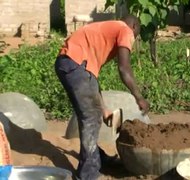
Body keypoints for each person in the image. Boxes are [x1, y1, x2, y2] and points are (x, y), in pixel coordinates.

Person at [54, 14, 150, 180]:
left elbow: (91, 80)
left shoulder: (105, 30)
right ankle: (88, 174)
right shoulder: (125, 30)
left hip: (70, 63)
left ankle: (97, 159)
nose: (131, 42)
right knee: (91, 118)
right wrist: (139, 97)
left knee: (91, 114)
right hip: (75, 64)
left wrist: (104, 109)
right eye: (136, 37)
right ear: (134, 27)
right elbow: (124, 69)